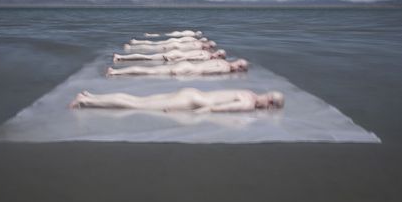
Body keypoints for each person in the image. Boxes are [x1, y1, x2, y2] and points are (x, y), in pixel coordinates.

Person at [69, 87, 284, 112]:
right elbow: (216, 109)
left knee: (138, 99)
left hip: (191, 92)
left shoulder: (249, 92)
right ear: (270, 102)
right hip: (190, 101)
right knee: (136, 104)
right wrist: (189, 114)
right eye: (270, 107)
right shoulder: (248, 103)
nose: (266, 109)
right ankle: (85, 101)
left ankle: (91, 96)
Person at [107, 59, 248, 77]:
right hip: (187, 70)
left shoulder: (221, 61)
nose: (239, 70)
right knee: (149, 71)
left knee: (151, 70)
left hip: (186, 65)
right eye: (241, 68)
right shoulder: (225, 69)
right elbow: (203, 72)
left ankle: (116, 71)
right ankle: (115, 72)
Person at [113, 49, 227, 63]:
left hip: (176, 52)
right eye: (219, 55)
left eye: (219, 56)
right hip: (175, 56)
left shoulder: (205, 52)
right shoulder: (206, 57)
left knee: (147, 57)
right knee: (147, 57)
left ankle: (121, 57)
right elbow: (190, 58)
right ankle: (120, 57)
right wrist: (175, 61)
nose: (217, 56)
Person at [123, 40, 216, 52]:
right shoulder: (198, 43)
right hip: (172, 45)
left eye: (211, 47)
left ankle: (133, 46)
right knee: (153, 46)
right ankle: (133, 46)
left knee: (152, 47)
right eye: (210, 45)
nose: (209, 47)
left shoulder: (200, 48)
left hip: (172, 47)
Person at [129, 36, 209, 45]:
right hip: (174, 41)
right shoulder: (194, 41)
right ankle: (136, 42)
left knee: (155, 43)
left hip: (174, 40)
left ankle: (136, 41)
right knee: (154, 43)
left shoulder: (193, 38)